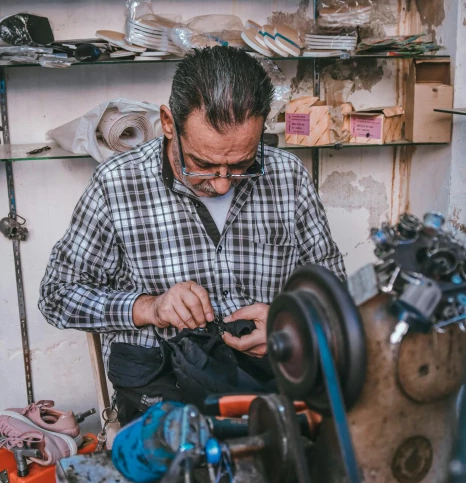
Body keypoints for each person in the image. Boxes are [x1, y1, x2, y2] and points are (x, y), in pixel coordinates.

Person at [39, 47, 345, 423]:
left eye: (240, 166)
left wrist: (290, 321)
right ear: (169, 122)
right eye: (202, 164)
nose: (220, 185)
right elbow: (57, 296)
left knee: (309, 453)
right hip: (163, 380)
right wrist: (150, 307)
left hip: (268, 374)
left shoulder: (288, 176)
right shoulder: (117, 183)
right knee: (188, 466)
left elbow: (331, 283)